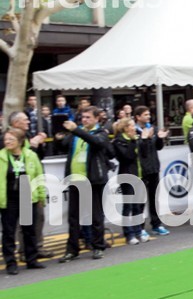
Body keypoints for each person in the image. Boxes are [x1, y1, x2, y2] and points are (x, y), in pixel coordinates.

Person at [57, 107, 113, 261]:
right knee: (73, 217)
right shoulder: (76, 133)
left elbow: (97, 142)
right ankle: (72, 249)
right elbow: (63, 145)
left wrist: (76, 130)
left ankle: (98, 246)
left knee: (96, 216)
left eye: (88, 117)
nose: (85, 120)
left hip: (93, 180)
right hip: (75, 179)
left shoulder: (101, 133)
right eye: (83, 117)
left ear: (96, 119)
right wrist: (60, 137)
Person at [1, 128, 47, 274]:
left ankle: (31, 259)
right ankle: (11, 263)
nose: (7, 142)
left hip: (27, 196)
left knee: (29, 230)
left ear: (20, 141)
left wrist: (41, 196)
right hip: (9, 198)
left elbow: (39, 176)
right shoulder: (1, 156)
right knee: (9, 232)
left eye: (11, 139)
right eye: (6, 139)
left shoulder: (31, 155)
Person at [133, 106, 170, 236]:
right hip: (142, 169)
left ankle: (156, 224)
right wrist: (145, 139)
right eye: (145, 115)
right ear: (138, 117)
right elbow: (140, 151)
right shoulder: (134, 131)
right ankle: (140, 227)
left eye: (149, 114)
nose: (148, 117)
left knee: (154, 198)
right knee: (140, 200)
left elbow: (158, 147)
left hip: (154, 167)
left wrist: (159, 138)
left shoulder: (152, 128)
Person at [112, 118, 146, 245]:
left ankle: (138, 231)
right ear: (126, 128)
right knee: (128, 206)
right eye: (132, 126)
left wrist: (145, 140)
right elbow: (127, 157)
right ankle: (129, 234)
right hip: (127, 176)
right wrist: (132, 141)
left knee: (137, 205)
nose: (134, 128)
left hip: (138, 175)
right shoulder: (119, 141)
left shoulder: (136, 139)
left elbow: (144, 154)